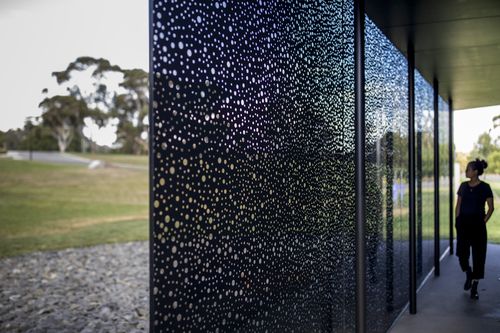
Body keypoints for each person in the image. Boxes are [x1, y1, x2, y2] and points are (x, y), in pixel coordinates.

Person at [455, 159, 494, 299]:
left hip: (478, 226)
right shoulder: (463, 186)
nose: (466, 171)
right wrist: (457, 221)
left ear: (476, 172)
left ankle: (475, 287)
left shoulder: (485, 187)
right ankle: (468, 273)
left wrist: (482, 222)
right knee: (461, 254)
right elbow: (458, 205)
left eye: (468, 169)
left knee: (479, 256)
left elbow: (491, 208)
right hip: (463, 224)